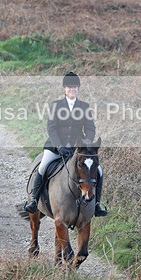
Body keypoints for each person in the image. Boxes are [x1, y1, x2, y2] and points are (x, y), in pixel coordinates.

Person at [25, 71, 108, 216]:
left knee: (99, 171)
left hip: (79, 149)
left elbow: (90, 128)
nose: (72, 90)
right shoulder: (56, 105)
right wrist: (60, 146)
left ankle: (97, 204)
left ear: (78, 89)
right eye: (69, 87)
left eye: (75, 87)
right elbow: (52, 128)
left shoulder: (84, 106)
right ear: (65, 89)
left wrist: (85, 143)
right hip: (56, 147)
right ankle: (34, 200)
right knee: (43, 166)